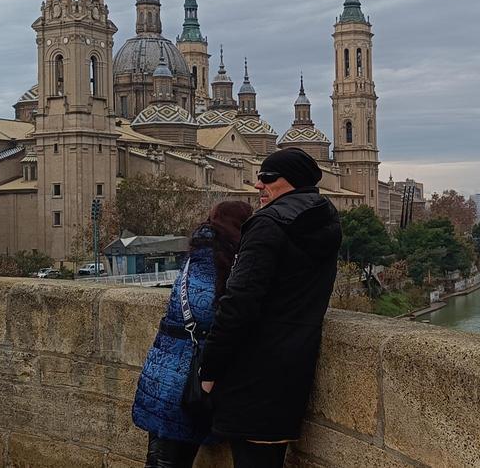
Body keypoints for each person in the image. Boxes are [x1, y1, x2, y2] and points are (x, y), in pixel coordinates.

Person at [198, 147, 343, 468]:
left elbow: (239, 303)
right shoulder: (325, 217)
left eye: (266, 178)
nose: (258, 185)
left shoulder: (267, 223)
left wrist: (210, 369)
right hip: (295, 360)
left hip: (253, 366)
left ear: (291, 181)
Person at [132, 200, 255, 468]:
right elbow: (214, 317)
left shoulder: (194, 258)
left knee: (159, 456)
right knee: (169, 460)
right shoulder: (219, 264)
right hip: (185, 376)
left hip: (162, 371)